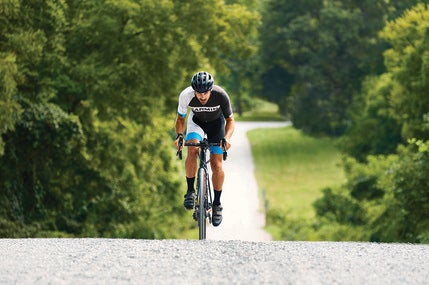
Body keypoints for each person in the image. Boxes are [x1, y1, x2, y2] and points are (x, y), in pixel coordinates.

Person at [174, 71, 235, 227]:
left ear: (211, 89)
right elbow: (180, 119)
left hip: (217, 125)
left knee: (216, 165)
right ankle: (190, 191)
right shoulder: (185, 95)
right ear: (193, 90)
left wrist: (227, 138)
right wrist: (180, 136)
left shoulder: (221, 95)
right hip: (196, 123)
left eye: (205, 92)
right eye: (198, 93)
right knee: (193, 149)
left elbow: (230, 120)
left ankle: (216, 204)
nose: (202, 96)